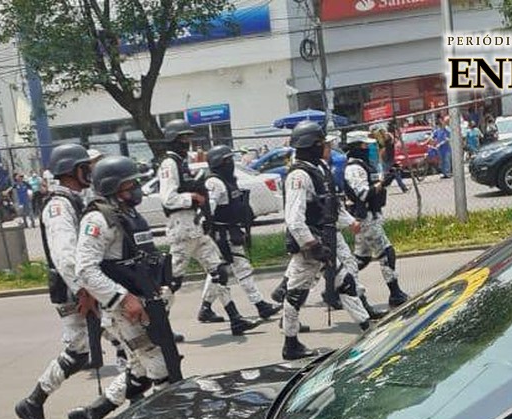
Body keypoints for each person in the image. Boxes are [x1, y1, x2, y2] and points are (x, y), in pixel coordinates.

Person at [68, 156, 181, 419]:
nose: (137, 189)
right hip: (123, 310)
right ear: (113, 186)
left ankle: (90, 415)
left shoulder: (128, 214)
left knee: (140, 371)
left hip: (145, 302)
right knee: (161, 368)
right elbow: (86, 269)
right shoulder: (98, 219)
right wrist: (123, 298)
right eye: (131, 184)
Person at [14, 144, 98, 419]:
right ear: (75, 170)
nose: (91, 171)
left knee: (82, 351)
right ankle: (33, 402)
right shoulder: (60, 205)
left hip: (83, 286)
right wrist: (83, 289)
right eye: (87, 166)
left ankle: (33, 402)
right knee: (85, 349)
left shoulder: (75, 198)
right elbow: (65, 255)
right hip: (73, 289)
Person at [157, 119, 258, 336]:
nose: (187, 142)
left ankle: (235, 319)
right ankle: (159, 327)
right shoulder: (169, 164)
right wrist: (191, 197)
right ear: (173, 140)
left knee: (219, 271)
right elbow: (167, 198)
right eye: (183, 138)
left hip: (195, 227)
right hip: (181, 229)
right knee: (172, 281)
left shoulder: (181, 162)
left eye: (188, 137)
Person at [280, 121, 370, 361]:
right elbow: (294, 218)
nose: (325, 147)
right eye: (321, 143)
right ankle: (290, 343)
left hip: (323, 240)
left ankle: (367, 328)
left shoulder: (317, 169)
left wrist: (348, 222)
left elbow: (328, 204)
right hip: (310, 246)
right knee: (295, 294)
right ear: (311, 145)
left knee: (345, 282)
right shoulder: (299, 175)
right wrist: (313, 246)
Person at [199, 145, 281, 321]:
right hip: (223, 234)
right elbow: (208, 211)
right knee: (242, 268)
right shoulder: (215, 182)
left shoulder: (228, 179)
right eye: (227, 160)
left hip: (232, 230)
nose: (231, 164)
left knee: (217, 271)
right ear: (218, 163)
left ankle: (205, 308)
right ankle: (260, 305)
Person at [343, 131, 410, 309]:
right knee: (387, 253)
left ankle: (338, 284)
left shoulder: (364, 165)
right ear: (357, 147)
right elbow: (363, 193)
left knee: (361, 259)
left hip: (371, 216)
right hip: (365, 219)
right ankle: (395, 294)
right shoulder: (354, 168)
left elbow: (373, 184)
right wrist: (383, 183)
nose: (369, 147)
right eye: (366, 145)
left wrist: (388, 175)